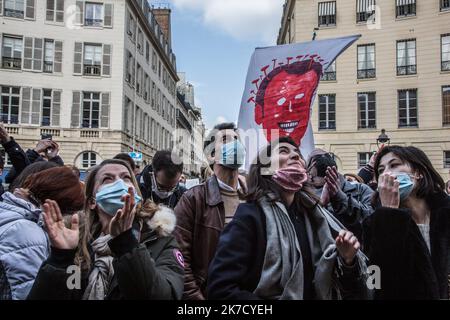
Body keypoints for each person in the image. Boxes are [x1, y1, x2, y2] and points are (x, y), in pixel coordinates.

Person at [207, 137, 369, 300]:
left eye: (298, 153)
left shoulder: (317, 217)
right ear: (265, 168)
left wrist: (348, 261)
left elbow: (347, 288)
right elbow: (220, 290)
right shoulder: (250, 218)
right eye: (284, 151)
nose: (295, 156)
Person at [27, 159, 184, 300]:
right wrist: (61, 259)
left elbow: (162, 295)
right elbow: (71, 291)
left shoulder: (159, 240)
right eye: (107, 179)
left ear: (136, 195)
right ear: (92, 201)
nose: (120, 184)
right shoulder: (80, 244)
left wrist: (126, 243)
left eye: (126, 178)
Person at [365, 145, 450, 299]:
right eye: (380, 170)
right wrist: (389, 216)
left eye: (394, 165)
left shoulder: (445, 213)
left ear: (418, 173)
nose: (386, 174)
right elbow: (376, 283)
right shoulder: (375, 223)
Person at [174, 122, 248, 300]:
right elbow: (178, 256)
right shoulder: (193, 199)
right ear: (212, 155)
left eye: (237, 139)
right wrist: (196, 297)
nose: (234, 144)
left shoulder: (254, 197)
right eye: (225, 139)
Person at [0, 166, 84, 300]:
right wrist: (64, 256)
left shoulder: (14, 216)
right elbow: (30, 292)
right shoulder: (26, 231)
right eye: (72, 210)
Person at [306, 149, 374, 243]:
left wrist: (340, 198)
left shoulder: (360, 189)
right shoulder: (305, 196)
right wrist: (321, 206)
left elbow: (372, 221)